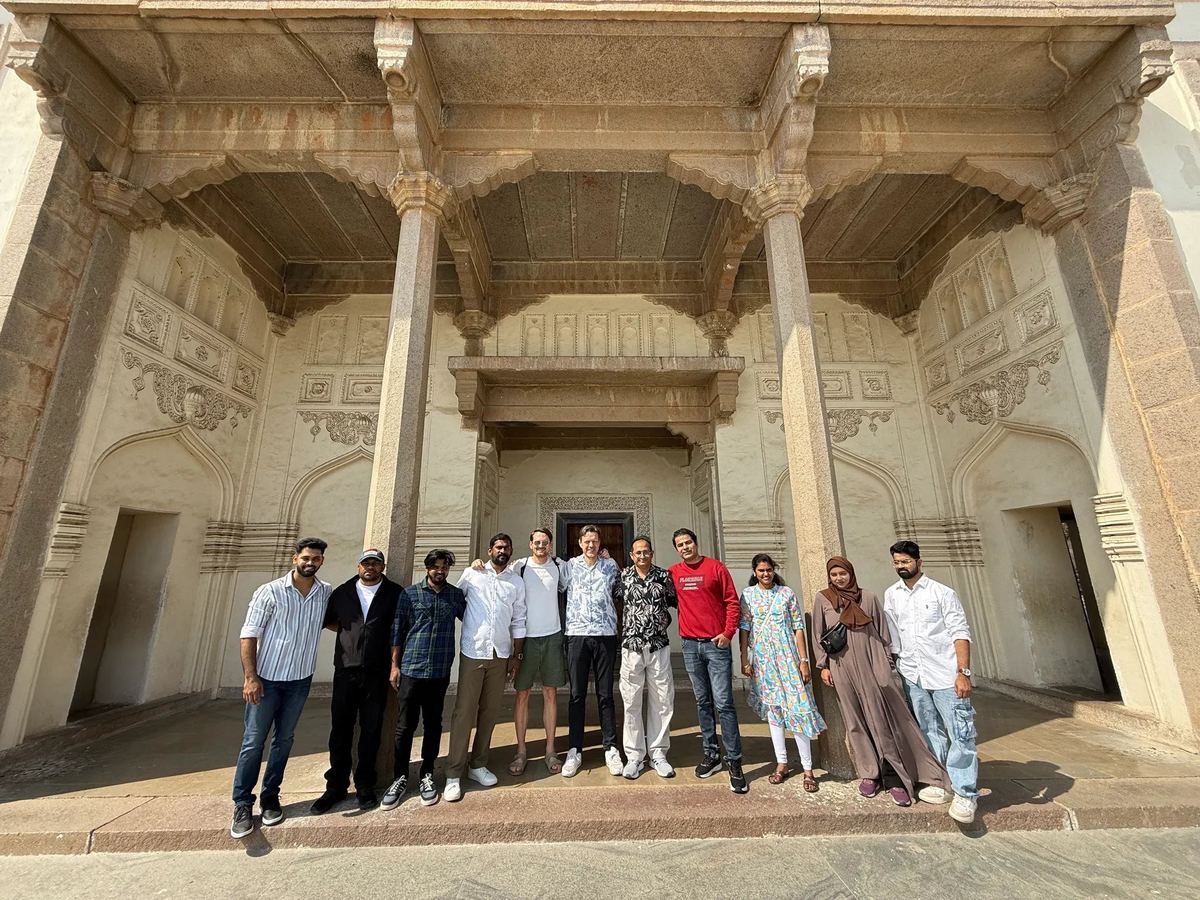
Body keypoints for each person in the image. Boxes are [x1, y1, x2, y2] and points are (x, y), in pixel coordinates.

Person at [813, 555, 948, 808]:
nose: (838, 578)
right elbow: (817, 634)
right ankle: (869, 773)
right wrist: (823, 665)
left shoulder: (869, 598)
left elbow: (883, 633)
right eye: (834, 575)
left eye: (842, 574)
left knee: (881, 720)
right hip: (841, 666)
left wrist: (886, 663)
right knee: (854, 721)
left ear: (851, 574)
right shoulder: (824, 599)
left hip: (871, 662)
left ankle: (895, 777)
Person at [230, 537, 332, 840]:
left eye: (315, 558)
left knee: (284, 740)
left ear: (322, 561)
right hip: (268, 679)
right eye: (305, 558)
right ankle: (242, 803)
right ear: (294, 558)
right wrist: (251, 677)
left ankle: (270, 797)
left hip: (300, 680)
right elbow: (248, 635)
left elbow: (338, 621)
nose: (310, 562)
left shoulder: (323, 593)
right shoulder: (270, 592)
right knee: (253, 741)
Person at [883, 540, 981, 825]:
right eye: (897, 562)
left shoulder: (942, 593)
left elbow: (959, 632)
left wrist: (963, 672)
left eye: (906, 562)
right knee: (928, 729)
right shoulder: (893, 595)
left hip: (945, 674)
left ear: (919, 562)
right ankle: (940, 781)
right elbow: (893, 636)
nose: (901, 566)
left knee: (961, 732)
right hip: (913, 673)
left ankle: (966, 792)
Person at [311, 548, 401, 814]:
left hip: (377, 670)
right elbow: (329, 622)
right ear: (358, 566)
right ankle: (336, 785)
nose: (370, 567)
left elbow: (398, 628)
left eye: (375, 563)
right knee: (340, 729)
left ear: (382, 566)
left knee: (371, 729)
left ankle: (364, 785)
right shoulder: (342, 592)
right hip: (346, 669)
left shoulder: (394, 593)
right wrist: (353, 635)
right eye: (365, 563)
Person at [381, 549, 466, 810]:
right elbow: (397, 631)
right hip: (411, 669)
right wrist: (395, 666)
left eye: (444, 567)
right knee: (405, 726)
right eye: (435, 567)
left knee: (433, 724)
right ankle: (400, 777)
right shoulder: (410, 594)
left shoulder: (455, 595)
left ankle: (427, 773)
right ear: (427, 568)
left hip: (439, 670)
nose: (440, 571)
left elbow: (473, 618)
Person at [444, 534, 527, 802]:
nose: (503, 551)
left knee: (489, 713)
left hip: (500, 653)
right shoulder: (473, 573)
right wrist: (472, 625)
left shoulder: (516, 581)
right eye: (498, 547)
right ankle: (454, 773)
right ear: (490, 550)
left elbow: (519, 618)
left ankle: (477, 765)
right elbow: (456, 602)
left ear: (511, 551)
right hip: (473, 651)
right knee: (464, 712)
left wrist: (516, 654)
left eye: (507, 547)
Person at [484, 529, 569, 776]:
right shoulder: (518, 566)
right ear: (530, 544)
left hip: (552, 636)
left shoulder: (559, 566)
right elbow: (495, 574)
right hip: (526, 640)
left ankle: (550, 749)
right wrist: (478, 564)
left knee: (550, 693)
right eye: (537, 542)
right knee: (522, 695)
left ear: (550, 545)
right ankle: (521, 750)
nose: (541, 545)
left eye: (545, 542)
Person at [668, 528, 747, 794]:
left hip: (715, 644)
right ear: (676, 549)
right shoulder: (674, 573)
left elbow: (732, 602)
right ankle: (711, 754)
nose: (685, 547)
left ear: (696, 543)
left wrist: (728, 633)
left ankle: (734, 761)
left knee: (724, 703)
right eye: (680, 545)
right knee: (703, 702)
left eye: (688, 542)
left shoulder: (716, 568)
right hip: (690, 645)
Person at [739, 553, 825, 792]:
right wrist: (745, 659)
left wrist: (804, 660)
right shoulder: (748, 595)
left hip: (788, 659)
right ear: (754, 572)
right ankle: (782, 763)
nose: (765, 574)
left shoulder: (786, 594)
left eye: (769, 570)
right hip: (765, 661)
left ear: (774, 570)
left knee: (798, 709)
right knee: (774, 711)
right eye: (761, 571)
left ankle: (808, 769)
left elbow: (798, 627)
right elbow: (745, 628)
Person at [612, 535, 678, 779]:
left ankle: (658, 754)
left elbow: (675, 603)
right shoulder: (623, 577)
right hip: (631, 648)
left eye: (646, 552)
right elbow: (613, 599)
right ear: (631, 555)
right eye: (637, 552)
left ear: (652, 553)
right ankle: (635, 756)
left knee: (662, 701)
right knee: (631, 702)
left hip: (658, 646)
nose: (642, 556)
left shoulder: (664, 577)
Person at [561, 525, 622, 778]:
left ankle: (611, 747)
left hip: (605, 635)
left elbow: (621, 592)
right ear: (579, 542)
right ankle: (575, 749)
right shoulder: (568, 567)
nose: (591, 545)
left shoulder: (611, 566)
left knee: (605, 693)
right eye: (587, 541)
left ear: (600, 543)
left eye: (595, 541)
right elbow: (540, 575)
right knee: (576, 694)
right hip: (576, 635)